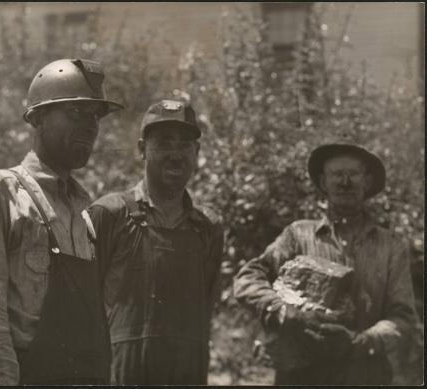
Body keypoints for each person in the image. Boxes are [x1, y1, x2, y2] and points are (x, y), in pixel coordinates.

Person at [0, 58, 123, 385]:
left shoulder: (84, 217)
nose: (90, 126)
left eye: (96, 116)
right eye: (76, 112)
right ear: (38, 118)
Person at [233, 140, 418, 385]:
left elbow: (403, 318)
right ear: (323, 183)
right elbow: (248, 278)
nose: (345, 182)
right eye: (336, 174)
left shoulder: (392, 246)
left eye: (353, 174)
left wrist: (362, 342)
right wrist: (280, 310)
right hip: (301, 373)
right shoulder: (297, 235)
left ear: (367, 182)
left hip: (365, 374)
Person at [84, 99, 224, 385]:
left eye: (184, 144)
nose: (175, 154)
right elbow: (80, 308)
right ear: (142, 149)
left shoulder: (209, 227)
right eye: (163, 142)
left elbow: (205, 309)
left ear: (196, 153)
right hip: (120, 373)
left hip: (187, 372)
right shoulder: (109, 214)